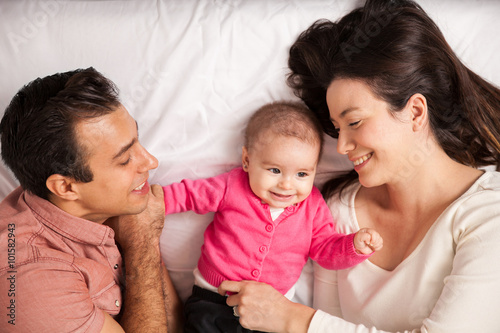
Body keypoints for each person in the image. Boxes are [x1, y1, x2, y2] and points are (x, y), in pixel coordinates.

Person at [217, 0, 500, 332]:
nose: (341, 146)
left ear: (416, 113)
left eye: (354, 122)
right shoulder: (338, 211)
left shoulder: (488, 217)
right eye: (337, 128)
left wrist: (291, 318)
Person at [162, 101, 383, 332]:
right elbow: (189, 195)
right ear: (247, 161)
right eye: (275, 170)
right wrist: (156, 201)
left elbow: (325, 248)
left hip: (272, 314)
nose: (286, 184)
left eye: (301, 174)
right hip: (213, 299)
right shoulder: (232, 185)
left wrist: (353, 247)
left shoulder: (313, 206)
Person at [0, 67, 182, 332]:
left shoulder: (108, 202)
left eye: (137, 141)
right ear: (66, 186)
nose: (151, 162)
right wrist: (142, 243)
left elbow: (175, 324)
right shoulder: (32, 280)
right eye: (124, 159)